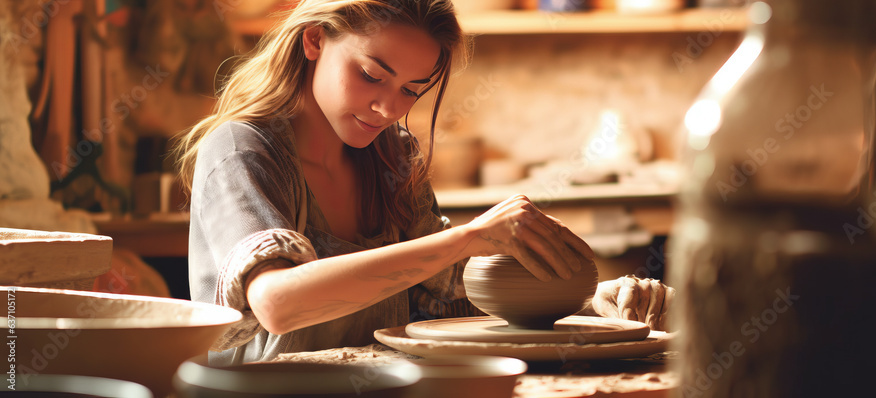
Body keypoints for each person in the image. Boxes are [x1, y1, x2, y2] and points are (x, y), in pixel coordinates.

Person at [172, 0, 674, 366]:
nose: (389, 108)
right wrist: (469, 237)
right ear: (314, 40)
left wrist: (592, 306)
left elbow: (448, 299)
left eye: (411, 90)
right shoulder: (242, 149)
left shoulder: (391, 155)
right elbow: (278, 303)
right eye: (371, 75)